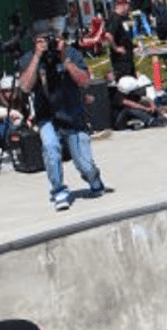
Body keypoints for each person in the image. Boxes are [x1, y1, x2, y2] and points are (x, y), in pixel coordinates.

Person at [18, 18, 106, 211]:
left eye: (52, 38)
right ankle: (58, 190)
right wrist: (37, 57)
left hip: (73, 115)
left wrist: (64, 58)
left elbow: (84, 81)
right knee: (50, 147)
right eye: (43, 39)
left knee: (84, 165)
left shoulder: (71, 53)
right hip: (47, 116)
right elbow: (25, 87)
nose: (49, 42)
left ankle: (94, 179)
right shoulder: (29, 58)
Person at [103, 0, 136, 80]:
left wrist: (135, 46)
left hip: (127, 57)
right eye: (128, 5)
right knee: (126, 81)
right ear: (123, 4)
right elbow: (108, 35)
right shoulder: (114, 18)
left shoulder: (122, 18)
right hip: (120, 60)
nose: (129, 8)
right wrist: (116, 48)